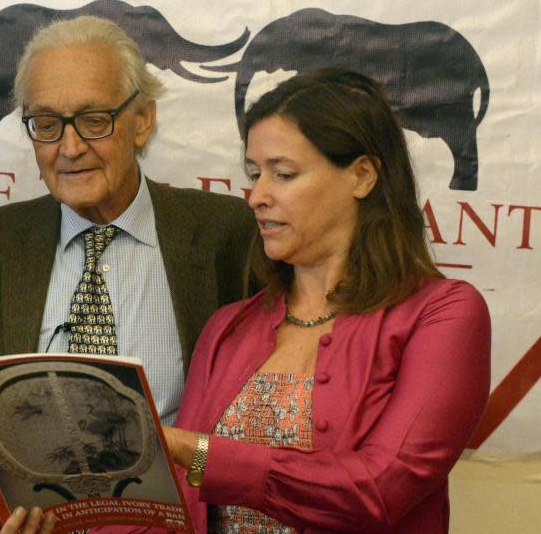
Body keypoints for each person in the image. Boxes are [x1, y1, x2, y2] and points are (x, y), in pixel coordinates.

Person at [0, 15, 256, 534]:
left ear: (142, 120)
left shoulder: (225, 236)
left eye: (94, 120)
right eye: (47, 124)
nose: (70, 148)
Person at [156, 69, 491, 533]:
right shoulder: (227, 326)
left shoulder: (443, 313)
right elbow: (174, 510)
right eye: (254, 174)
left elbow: (379, 490)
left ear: (362, 175)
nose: (256, 196)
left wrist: (195, 452)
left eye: (284, 173)